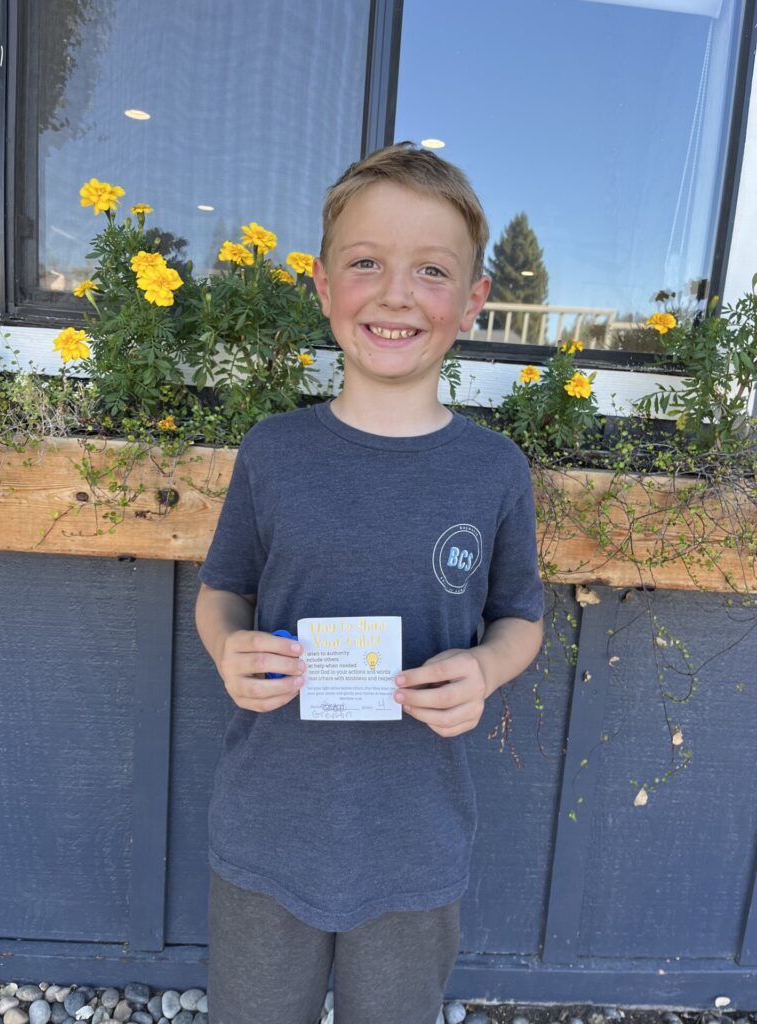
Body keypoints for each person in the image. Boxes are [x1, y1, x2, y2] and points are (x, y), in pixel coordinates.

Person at [195, 142, 545, 1024]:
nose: (395, 295)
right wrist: (228, 648)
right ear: (322, 285)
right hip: (268, 828)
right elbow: (222, 592)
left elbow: (521, 617)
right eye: (365, 264)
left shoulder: (494, 470)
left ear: (473, 300)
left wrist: (486, 669)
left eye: (431, 270)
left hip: (414, 842)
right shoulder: (273, 452)